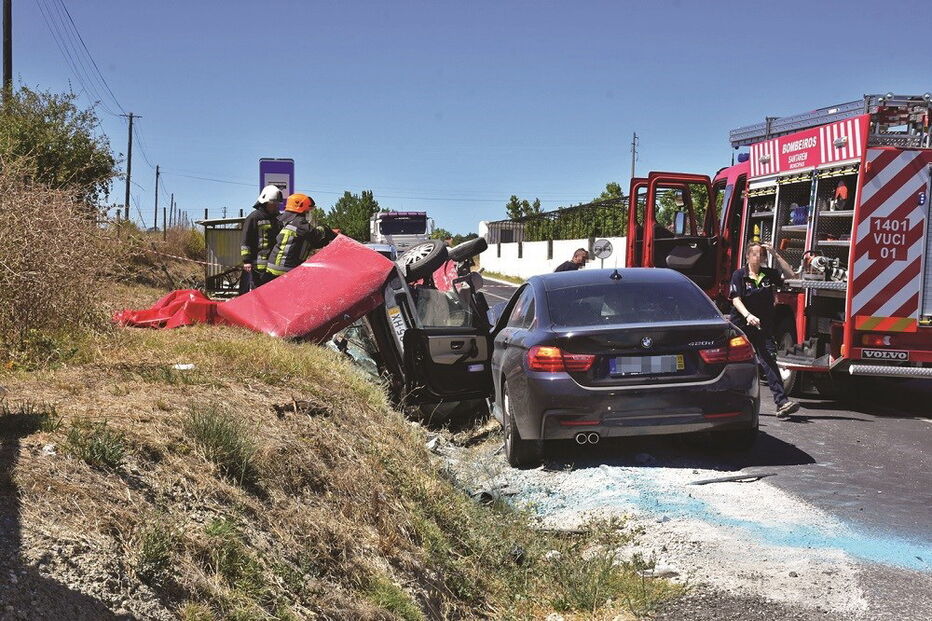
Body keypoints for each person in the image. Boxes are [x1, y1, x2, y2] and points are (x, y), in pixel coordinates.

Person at [729, 242, 799, 418]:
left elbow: (792, 275)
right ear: (747, 256)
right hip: (742, 324)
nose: (758, 257)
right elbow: (736, 299)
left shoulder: (768, 275)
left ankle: (782, 403)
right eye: (755, 254)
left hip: (762, 325)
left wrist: (775, 254)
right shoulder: (739, 275)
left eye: (761, 255)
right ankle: (725, 399)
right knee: (732, 361)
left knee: (769, 360)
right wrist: (747, 316)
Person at [266, 193, 337, 278]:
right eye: (308, 210)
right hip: (284, 268)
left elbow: (310, 241)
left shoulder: (288, 221)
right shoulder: (299, 222)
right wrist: (328, 230)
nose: (308, 213)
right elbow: (316, 234)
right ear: (302, 210)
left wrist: (325, 241)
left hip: (275, 265)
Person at [239, 185, 284, 293]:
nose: (276, 206)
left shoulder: (277, 218)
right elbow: (246, 240)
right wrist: (247, 261)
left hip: (273, 265)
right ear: (265, 202)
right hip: (257, 267)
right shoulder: (254, 217)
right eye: (273, 204)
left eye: (277, 204)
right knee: (259, 292)